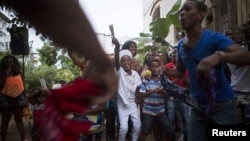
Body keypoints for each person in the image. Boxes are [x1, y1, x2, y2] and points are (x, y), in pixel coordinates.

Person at [162, 0, 250, 140]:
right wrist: (164, 70)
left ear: (200, 15)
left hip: (222, 105)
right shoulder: (180, 45)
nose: (182, 14)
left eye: (188, 9)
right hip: (197, 106)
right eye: (180, 12)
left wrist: (220, 56)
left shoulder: (214, 38)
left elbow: (246, 55)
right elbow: (179, 72)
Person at [112, 37, 141, 141]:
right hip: (122, 104)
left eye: (128, 60)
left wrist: (137, 98)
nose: (126, 62)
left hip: (132, 103)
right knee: (124, 128)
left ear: (131, 61)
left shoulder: (136, 74)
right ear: (120, 63)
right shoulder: (120, 73)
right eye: (123, 61)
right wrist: (117, 47)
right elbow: (116, 61)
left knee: (137, 126)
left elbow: (138, 87)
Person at [138, 58, 172, 141]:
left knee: (168, 129)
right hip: (148, 111)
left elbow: (169, 95)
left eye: (157, 66)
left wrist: (162, 92)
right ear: (149, 68)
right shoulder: (145, 81)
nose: (155, 68)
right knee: (145, 131)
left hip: (160, 110)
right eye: (153, 66)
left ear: (160, 67)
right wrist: (153, 91)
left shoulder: (163, 80)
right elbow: (141, 94)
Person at [223, 28, 250, 124]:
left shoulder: (246, 48)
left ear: (241, 36)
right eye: (226, 35)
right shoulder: (224, 52)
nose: (229, 37)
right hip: (234, 91)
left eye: (232, 33)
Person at [0, 55, 28, 141]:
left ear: (14, 63)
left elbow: (23, 85)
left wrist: (25, 97)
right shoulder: (1, 73)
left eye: (11, 62)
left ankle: (23, 138)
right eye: (7, 62)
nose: (9, 64)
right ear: (4, 63)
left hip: (18, 98)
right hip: (5, 99)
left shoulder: (19, 73)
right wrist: (5, 75)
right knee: (5, 121)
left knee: (19, 120)